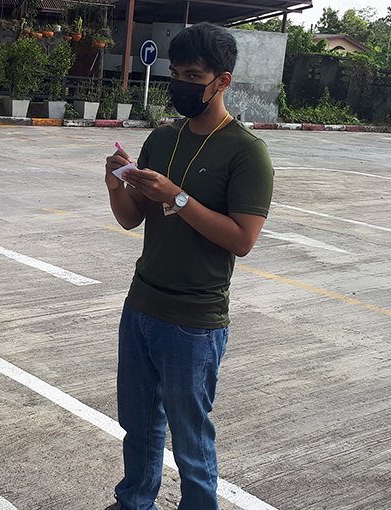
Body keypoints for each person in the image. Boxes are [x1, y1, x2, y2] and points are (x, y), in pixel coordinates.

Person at [103, 23, 274, 510]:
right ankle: (135, 502)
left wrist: (177, 196)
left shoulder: (246, 152)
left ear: (223, 81)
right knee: (138, 423)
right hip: (142, 304)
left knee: (190, 435)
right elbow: (133, 218)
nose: (180, 84)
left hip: (194, 320)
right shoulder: (162, 138)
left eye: (193, 76)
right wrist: (117, 186)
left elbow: (243, 240)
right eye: (175, 73)